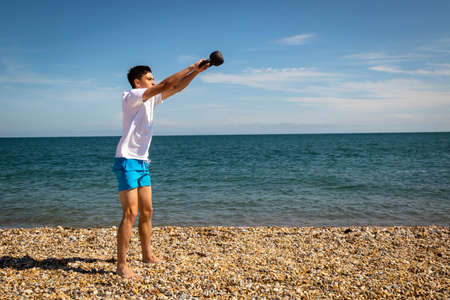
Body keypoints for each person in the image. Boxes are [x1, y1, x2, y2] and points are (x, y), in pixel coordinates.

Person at [112, 60, 210, 279]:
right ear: (137, 82)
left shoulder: (150, 98)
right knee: (130, 213)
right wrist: (192, 67)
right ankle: (122, 265)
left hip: (142, 162)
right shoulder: (131, 97)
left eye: (153, 79)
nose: (153, 82)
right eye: (149, 79)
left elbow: (175, 87)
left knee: (147, 211)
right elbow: (167, 84)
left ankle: (147, 255)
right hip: (126, 160)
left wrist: (196, 73)